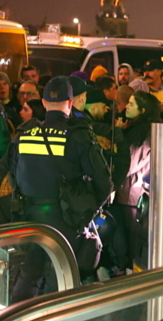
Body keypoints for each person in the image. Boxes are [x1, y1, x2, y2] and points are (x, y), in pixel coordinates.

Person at [9, 76, 113, 299]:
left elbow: (12, 176)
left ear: (44, 104)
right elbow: (104, 182)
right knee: (61, 276)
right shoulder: (78, 135)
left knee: (29, 273)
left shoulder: (25, 134)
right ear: (70, 102)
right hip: (66, 217)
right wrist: (88, 212)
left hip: (30, 215)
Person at [113, 90, 161, 269]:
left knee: (130, 238)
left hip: (131, 193)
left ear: (143, 110)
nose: (126, 107)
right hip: (130, 192)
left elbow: (129, 163)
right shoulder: (138, 129)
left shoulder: (141, 132)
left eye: (132, 104)